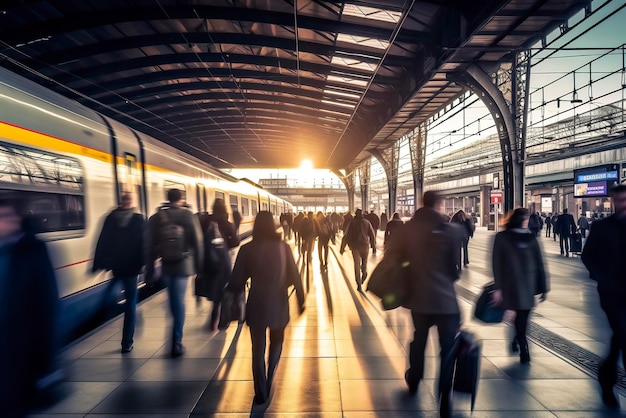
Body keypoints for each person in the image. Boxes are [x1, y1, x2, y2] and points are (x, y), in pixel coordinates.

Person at [385, 191, 462, 418]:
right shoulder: (452, 232)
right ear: (439, 205)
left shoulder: (406, 230)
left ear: (421, 203)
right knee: (448, 349)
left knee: (419, 338)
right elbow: (454, 271)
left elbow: (393, 260)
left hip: (419, 298)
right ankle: (445, 395)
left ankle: (415, 376)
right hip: (446, 302)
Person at [227, 211, 305, 405]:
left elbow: (236, 281)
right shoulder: (283, 248)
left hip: (256, 303)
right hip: (278, 302)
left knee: (257, 349)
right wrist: (301, 300)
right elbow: (295, 276)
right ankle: (271, 377)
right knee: (277, 342)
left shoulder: (247, 249)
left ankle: (260, 391)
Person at [0, 197, 62, 416]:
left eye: (5, 217)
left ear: (18, 219)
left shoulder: (33, 251)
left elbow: (46, 308)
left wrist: (48, 363)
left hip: (19, 354)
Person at [581, 184, 626, 408]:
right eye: (619, 200)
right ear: (613, 202)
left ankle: (606, 378)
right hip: (612, 294)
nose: (623, 205)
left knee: (621, 339)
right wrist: (601, 278)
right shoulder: (602, 227)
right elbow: (588, 255)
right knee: (623, 334)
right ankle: (607, 381)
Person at [146, 189, 203, 357]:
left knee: (172, 301)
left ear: (167, 198)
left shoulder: (157, 218)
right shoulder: (188, 216)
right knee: (179, 301)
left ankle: (173, 335)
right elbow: (198, 243)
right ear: (181, 199)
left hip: (166, 265)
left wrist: (149, 268)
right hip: (183, 265)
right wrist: (200, 268)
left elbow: (149, 245)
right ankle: (176, 342)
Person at [491, 208, 549, 364]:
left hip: (523, 284)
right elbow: (497, 263)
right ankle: (523, 345)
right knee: (521, 314)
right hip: (513, 284)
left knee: (522, 315)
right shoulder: (505, 237)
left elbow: (539, 263)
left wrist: (543, 287)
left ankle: (519, 339)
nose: (527, 222)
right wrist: (498, 287)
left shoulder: (529, 238)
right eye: (525, 219)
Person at [92, 192, 145, 353]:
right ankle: (127, 342)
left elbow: (102, 241)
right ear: (131, 202)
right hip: (131, 268)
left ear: (121, 202)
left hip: (117, 266)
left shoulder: (111, 218)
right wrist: (144, 263)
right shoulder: (138, 219)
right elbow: (143, 243)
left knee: (112, 295)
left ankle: (106, 313)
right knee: (130, 304)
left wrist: (99, 263)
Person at [197, 198, 240, 331]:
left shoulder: (206, 221)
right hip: (223, 262)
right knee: (223, 290)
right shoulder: (227, 223)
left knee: (214, 291)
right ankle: (222, 320)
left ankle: (213, 320)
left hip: (208, 261)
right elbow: (235, 242)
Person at [340, 208, 376, 292]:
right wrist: (373, 246)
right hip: (365, 246)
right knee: (364, 262)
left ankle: (358, 283)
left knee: (356, 264)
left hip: (355, 246)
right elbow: (372, 235)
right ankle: (364, 273)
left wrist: (342, 248)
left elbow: (346, 235)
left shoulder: (351, 223)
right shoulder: (367, 222)